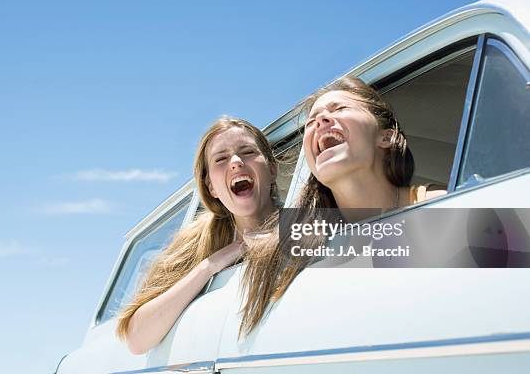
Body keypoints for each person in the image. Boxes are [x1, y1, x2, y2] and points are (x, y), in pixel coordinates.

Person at [239, 76, 446, 336]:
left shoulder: (440, 207)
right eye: (312, 121)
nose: (321, 121)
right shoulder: (294, 245)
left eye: (340, 109)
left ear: (387, 137)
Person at [117, 117, 279, 354]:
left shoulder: (306, 223)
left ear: (272, 168)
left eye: (247, 152)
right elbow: (137, 340)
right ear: (211, 187)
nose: (235, 162)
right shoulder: (198, 240)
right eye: (221, 159)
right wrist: (210, 265)